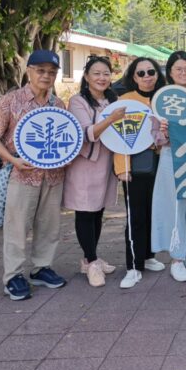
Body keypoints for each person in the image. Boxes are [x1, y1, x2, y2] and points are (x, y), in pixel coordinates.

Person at [0, 49, 68, 300]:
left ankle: (42, 267)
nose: (46, 76)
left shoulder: (57, 104)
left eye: (51, 72)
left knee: (49, 225)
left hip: (53, 175)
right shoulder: (11, 100)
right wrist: (12, 160)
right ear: (29, 71)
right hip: (21, 174)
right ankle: (13, 276)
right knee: (17, 227)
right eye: (40, 70)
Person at [63, 56, 125, 287]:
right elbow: (85, 133)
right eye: (96, 73)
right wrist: (111, 119)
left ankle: (92, 258)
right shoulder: (78, 101)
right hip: (85, 164)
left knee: (98, 211)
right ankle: (91, 262)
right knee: (85, 212)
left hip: (106, 162)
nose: (102, 78)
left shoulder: (113, 99)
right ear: (87, 77)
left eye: (106, 73)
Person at [151, 51, 186, 282]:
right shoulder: (162, 98)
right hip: (171, 157)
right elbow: (155, 137)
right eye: (178, 69)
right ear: (170, 73)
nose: (184, 73)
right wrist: (164, 132)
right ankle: (176, 258)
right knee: (174, 206)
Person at [114, 57, 167, 289]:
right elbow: (117, 137)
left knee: (154, 212)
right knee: (135, 216)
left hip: (161, 164)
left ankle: (148, 256)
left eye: (151, 72)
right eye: (141, 73)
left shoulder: (165, 98)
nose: (147, 77)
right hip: (135, 166)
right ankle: (133, 266)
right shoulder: (125, 101)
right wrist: (121, 168)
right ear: (133, 77)